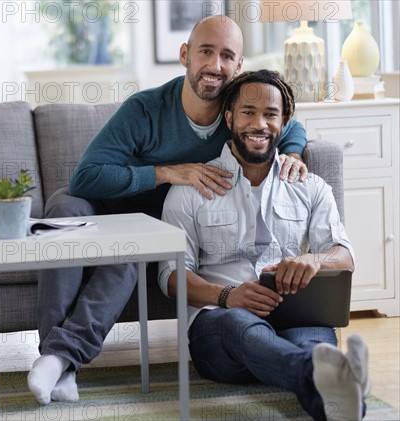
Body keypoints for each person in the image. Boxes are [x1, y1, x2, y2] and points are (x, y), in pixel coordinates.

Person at [28, 15, 308, 405]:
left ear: (238, 67)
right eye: (206, 52)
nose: (216, 65)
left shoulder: (239, 115)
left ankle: (59, 361)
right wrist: (168, 173)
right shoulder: (144, 109)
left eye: (227, 56)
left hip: (149, 229)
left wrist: (293, 153)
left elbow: (289, 124)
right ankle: (59, 359)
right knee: (63, 209)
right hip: (100, 206)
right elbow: (85, 178)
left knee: (131, 252)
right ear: (185, 55)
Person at [158, 69, 369, 420]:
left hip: (297, 313)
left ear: (284, 122)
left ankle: (342, 405)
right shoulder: (191, 188)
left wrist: (315, 261)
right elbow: (171, 277)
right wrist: (227, 297)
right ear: (229, 118)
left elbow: (343, 256)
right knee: (239, 327)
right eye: (248, 112)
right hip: (222, 324)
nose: (259, 123)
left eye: (271, 114)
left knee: (312, 345)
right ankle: (334, 376)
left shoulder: (310, 186)